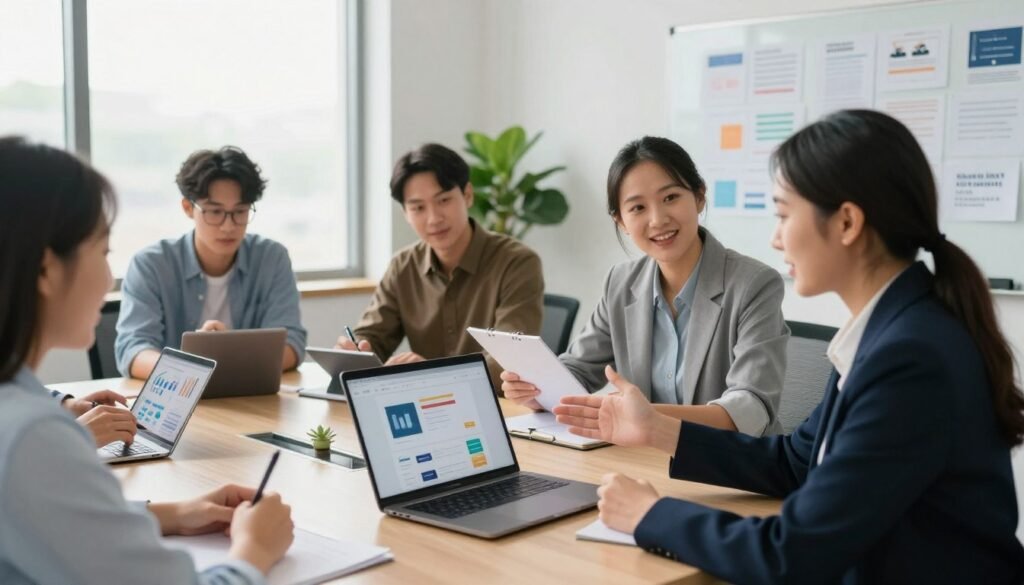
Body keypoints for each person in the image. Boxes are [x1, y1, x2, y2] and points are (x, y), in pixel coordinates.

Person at [554, 111, 1024, 583]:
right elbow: (795, 462)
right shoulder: (884, 333)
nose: (775, 239)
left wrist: (651, 516)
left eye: (783, 215)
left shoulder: (908, 359)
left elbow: (793, 554)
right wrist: (659, 429)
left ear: (846, 222)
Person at [0, 136, 294, 583]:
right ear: (46, 269)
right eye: (103, 252)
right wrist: (255, 549)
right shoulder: (34, 437)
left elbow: (49, 518)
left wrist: (175, 513)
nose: (108, 280)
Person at [503, 136, 788, 436]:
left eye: (670, 198)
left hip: (730, 458)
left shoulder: (754, 284)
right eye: (638, 207)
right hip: (646, 456)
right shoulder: (621, 282)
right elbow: (578, 370)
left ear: (699, 197)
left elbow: (750, 408)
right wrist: (536, 389)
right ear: (621, 221)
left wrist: (647, 417)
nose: (657, 220)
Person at [335, 143, 543, 390]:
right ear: (405, 213)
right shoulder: (403, 266)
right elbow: (373, 336)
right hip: (428, 403)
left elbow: (510, 359)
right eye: (418, 208)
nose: (434, 218)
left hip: (497, 406)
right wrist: (356, 350)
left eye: (443, 200)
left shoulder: (517, 262)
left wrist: (433, 375)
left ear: (467, 195)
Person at [115, 146, 306, 379]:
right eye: (215, 212)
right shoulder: (151, 265)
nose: (228, 226)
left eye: (240, 211)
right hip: (177, 392)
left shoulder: (271, 259)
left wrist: (231, 357)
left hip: (248, 393)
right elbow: (133, 349)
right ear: (188, 208)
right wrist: (193, 370)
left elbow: (292, 343)